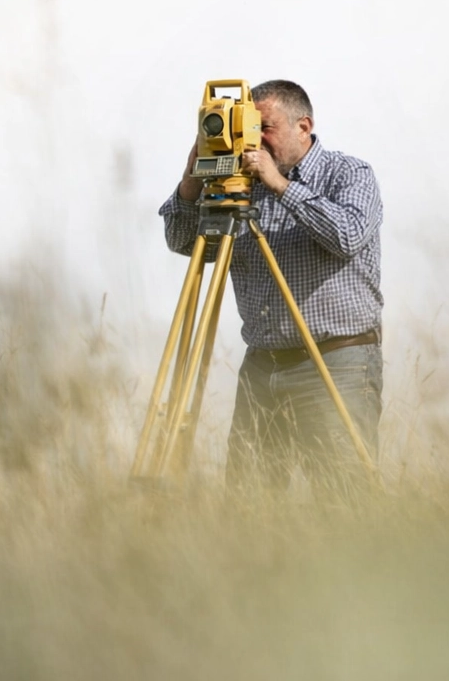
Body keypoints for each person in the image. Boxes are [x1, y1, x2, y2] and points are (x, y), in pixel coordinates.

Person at [158, 80, 383, 494]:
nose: (253, 139)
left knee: (342, 498)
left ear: (304, 126)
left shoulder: (348, 174)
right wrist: (193, 178)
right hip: (262, 366)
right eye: (245, 125)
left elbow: (348, 236)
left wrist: (280, 185)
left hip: (336, 361)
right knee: (250, 498)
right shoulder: (239, 184)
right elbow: (182, 242)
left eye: (264, 127)